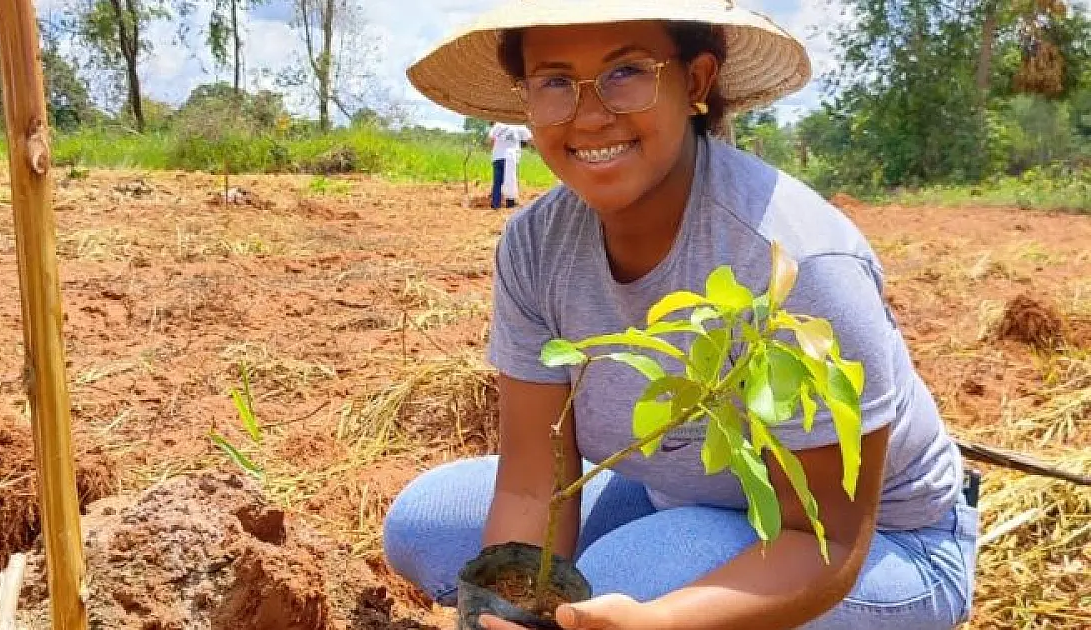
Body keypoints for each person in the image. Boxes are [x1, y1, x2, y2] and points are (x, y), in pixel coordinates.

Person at [388, 2, 978, 629]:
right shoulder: (537, 244)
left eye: (627, 72)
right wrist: (515, 611)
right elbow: (534, 483)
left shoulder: (794, 260)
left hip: (880, 547)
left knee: (621, 580)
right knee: (425, 528)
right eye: (554, 81)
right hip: (677, 494)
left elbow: (824, 542)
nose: (589, 116)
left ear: (695, 82)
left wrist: (664, 621)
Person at [488, 121, 533, 209]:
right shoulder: (519, 125)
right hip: (510, 157)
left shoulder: (498, 124)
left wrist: (495, 150)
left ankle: (495, 204)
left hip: (497, 157)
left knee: (497, 181)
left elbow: (490, 139)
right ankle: (510, 203)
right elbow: (530, 139)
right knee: (510, 180)